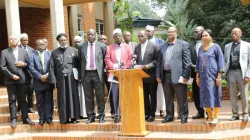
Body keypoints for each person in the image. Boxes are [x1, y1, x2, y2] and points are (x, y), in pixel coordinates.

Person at [156, 27, 191, 124]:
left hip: (179, 76)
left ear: (176, 33)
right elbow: (159, 62)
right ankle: (169, 116)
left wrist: (185, 76)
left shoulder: (183, 44)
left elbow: (187, 62)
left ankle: (183, 116)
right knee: (168, 98)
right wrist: (158, 75)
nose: (170, 33)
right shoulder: (162, 46)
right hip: (165, 75)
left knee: (181, 97)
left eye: (172, 32)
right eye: (169, 32)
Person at [0, 35, 35, 127]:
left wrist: (24, 64)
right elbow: (2, 67)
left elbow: (30, 64)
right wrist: (11, 76)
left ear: (18, 41)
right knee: (12, 100)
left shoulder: (24, 51)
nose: (13, 40)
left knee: (23, 100)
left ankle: (25, 118)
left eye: (14, 38)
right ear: (9, 41)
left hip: (23, 80)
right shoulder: (4, 52)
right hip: (10, 80)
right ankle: (13, 119)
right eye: (11, 39)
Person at [49, 33, 80, 124]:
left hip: (72, 79)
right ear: (58, 41)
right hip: (60, 79)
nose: (63, 41)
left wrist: (79, 76)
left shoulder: (74, 51)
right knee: (62, 98)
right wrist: (53, 80)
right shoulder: (54, 53)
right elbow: (51, 67)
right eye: (61, 40)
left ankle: (74, 117)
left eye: (64, 40)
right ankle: (64, 118)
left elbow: (79, 65)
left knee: (73, 96)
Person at [77, 29, 106, 124]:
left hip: (98, 74)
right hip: (86, 74)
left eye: (92, 34)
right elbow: (79, 60)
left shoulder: (102, 46)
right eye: (88, 34)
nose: (90, 36)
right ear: (86, 35)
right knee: (88, 96)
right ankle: (91, 116)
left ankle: (101, 115)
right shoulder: (81, 46)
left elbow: (104, 60)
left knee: (100, 96)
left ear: (96, 35)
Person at [196, 29, 224, 124]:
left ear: (211, 37)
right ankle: (209, 117)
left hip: (213, 75)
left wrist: (219, 76)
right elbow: (197, 63)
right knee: (205, 95)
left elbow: (220, 62)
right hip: (203, 76)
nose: (204, 37)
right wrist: (197, 77)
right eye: (203, 36)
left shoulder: (216, 47)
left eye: (206, 35)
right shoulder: (200, 48)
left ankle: (216, 117)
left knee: (215, 95)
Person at [105, 28, 133, 123]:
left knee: (125, 95)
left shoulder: (127, 47)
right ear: (113, 38)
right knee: (115, 96)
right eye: (116, 36)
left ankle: (126, 114)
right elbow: (107, 59)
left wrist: (125, 66)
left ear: (122, 37)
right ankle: (117, 114)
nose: (118, 37)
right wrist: (114, 66)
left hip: (125, 74)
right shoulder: (109, 48)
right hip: (114, 74)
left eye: (119, 36)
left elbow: (130, 59)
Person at [224, 28, 250, 122]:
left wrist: (248, 75)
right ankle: (235, 114)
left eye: (236, 33)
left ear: (240, 34)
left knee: (244, 94)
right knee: (232, 95)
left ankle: (245, 114)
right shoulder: (227, 46)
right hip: (231, 72)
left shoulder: (247, 45)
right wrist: (225, 72)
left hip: (242, 73)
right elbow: (225, 60)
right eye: (232, 34)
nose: (234, 35)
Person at [134, 30, 160, 122]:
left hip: (151, 75)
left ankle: (152, 114)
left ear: (146, 36)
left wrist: (148, 66)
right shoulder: (137, 47)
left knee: (152, 96)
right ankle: (146, 113)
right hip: (141, 76)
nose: (140, 38)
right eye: (139, 36)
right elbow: (135, 60)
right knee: (144, 96)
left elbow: (157, 60)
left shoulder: (154, 46)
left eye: (142, 36)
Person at [28, 39, 54, 126]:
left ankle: (49, 118)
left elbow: (53, 67)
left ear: (46, 45)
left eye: (43, 44)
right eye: (39, 44)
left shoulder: (51, 54)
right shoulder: (32, 55)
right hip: (38, 81)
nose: (41, 46)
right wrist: (40, 77)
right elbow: (31, 68)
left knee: (49, 100)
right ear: (36, 46)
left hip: (48, 81)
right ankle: (41, 118)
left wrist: (47, 75)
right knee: (40, 101)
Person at [145, 25, 165, 117]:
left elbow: (162, 57)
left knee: (160, 92)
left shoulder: (160, 42)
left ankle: (162, 109)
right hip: (145, 72)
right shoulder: (143, 42)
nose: (147, 32)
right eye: (146, 31)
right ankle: (149, 111)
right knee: (148, 93)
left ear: (153, 32)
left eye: (149, 31)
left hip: (157, 70)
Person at [188, 26, 205, 119]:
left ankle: (209, 112)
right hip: (194, 73)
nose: (195, 33)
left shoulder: (207, 43)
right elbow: (187, 58)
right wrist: (193, 66)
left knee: (206, 92)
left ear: (202, 32)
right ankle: (200, 111)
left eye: (197, 32)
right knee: (196, 93)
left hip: (206, 73)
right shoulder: (190, 45)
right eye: (194, 32)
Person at [18, 33, 35, 114]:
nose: (25, 42)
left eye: (26, 40)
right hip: (21, 74)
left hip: (30, 74)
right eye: (23, 40)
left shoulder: (31, 50)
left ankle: (30, 107)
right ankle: (21, 108)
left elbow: (33, 62)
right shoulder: (16, 49)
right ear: (20, 41)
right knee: (21, 93)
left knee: (30, 91)